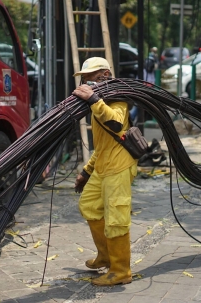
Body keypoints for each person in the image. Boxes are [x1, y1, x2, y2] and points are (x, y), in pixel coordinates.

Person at [72, 57, 138, 286]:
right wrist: (87, 171)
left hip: (119, 166)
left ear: (105, 75)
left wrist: (93, 99)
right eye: (86, 77)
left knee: (116, 218)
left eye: (90, 76)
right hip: (103, 165)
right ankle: (106, 256)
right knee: (89, 205)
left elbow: (117, 124)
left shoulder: (117, 99)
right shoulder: (98, 102)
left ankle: (120, 270)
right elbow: (102, 146)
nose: (86, 80)